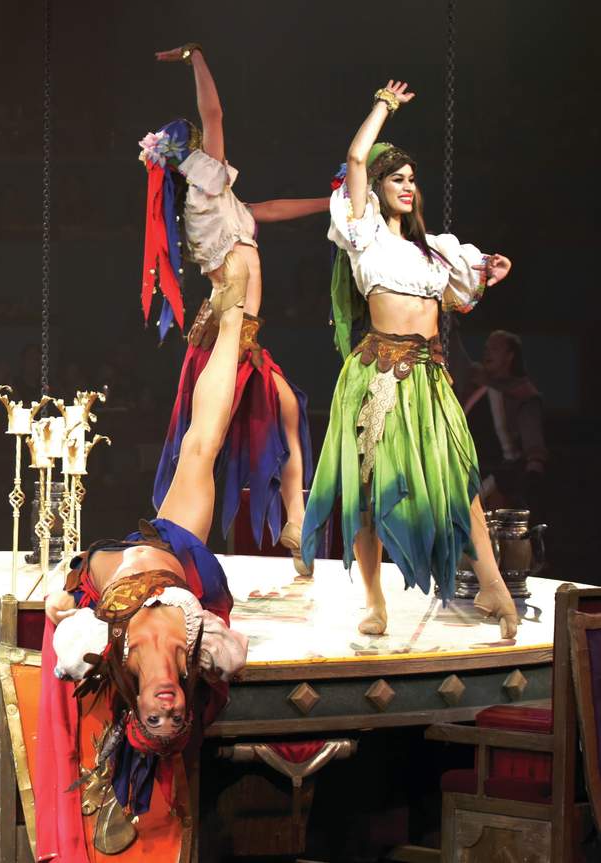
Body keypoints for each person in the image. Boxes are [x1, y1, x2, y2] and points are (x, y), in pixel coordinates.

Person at [34, 144, 251, 860]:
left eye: (155, 719)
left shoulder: (100, 654)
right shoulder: (203, 652)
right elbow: (231, 643)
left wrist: (70, 608)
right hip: (170, 550)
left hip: (104, 566)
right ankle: (232, 324)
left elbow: (60, 624)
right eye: (174, 718)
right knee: (201, 447)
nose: (168, 708)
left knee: (195, 453)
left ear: (138, 708)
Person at [300, 81, 518, 638]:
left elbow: (460, 297)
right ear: (373, 190)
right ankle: (374, 601)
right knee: (370, 491)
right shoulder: (364, 235)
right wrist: (384, 105)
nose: (407, 186)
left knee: (458, 482)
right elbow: (354, 156)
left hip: (428, 376)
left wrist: (490, 273)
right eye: (395, 178)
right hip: (378, 374)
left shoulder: (436, 249)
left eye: (411, 180)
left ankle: (492, 586)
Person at [144, 43, 323, 578]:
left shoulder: (222, 203)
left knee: (288, 410)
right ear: (195, 158)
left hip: (240, 329)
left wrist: (328, 204)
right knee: (209, 441)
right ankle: (175, 538)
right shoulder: (206, 185)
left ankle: (296, 520)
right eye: (205, 147)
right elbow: (214, 113)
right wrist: (197, 57)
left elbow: (268, 209)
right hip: (227, 327)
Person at [461, 330, 547, 510]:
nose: (487, 352)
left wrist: (534, 468)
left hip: (502, 480)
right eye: (486, 348)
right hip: (469, 475)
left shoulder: (522, 394)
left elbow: (532, 437)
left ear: (509, 355)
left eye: (494, 348)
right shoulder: (478, 387)